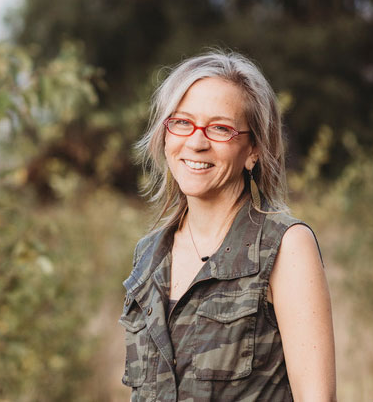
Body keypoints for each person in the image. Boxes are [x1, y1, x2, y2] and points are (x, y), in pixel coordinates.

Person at [119, 50, 336, 401]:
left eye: (220, 128)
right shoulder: (148, 254)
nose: (196, 142)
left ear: (253, 150)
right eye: (182, 122)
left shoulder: (284, 245)